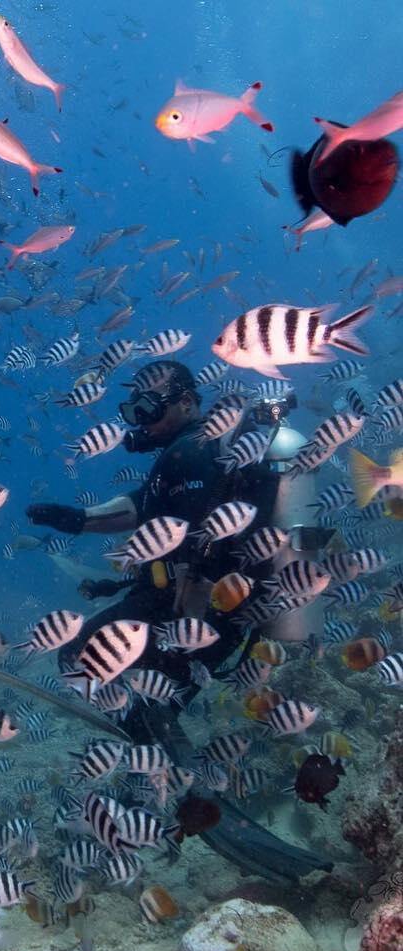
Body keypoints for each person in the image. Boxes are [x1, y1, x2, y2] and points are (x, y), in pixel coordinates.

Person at [26, 359, 333, 883]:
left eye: (148, 407)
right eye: (131, 408)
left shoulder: (193, 452)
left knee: (93, 660)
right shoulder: (196, 452)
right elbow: (149, 511)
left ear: (188, 403)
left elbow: (190, 546)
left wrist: (179, 638)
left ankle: (188, 780)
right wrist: (79, 520)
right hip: (217, 607)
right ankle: (157, 746)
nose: (138, 419)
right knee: (124, 679)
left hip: (196, 610)